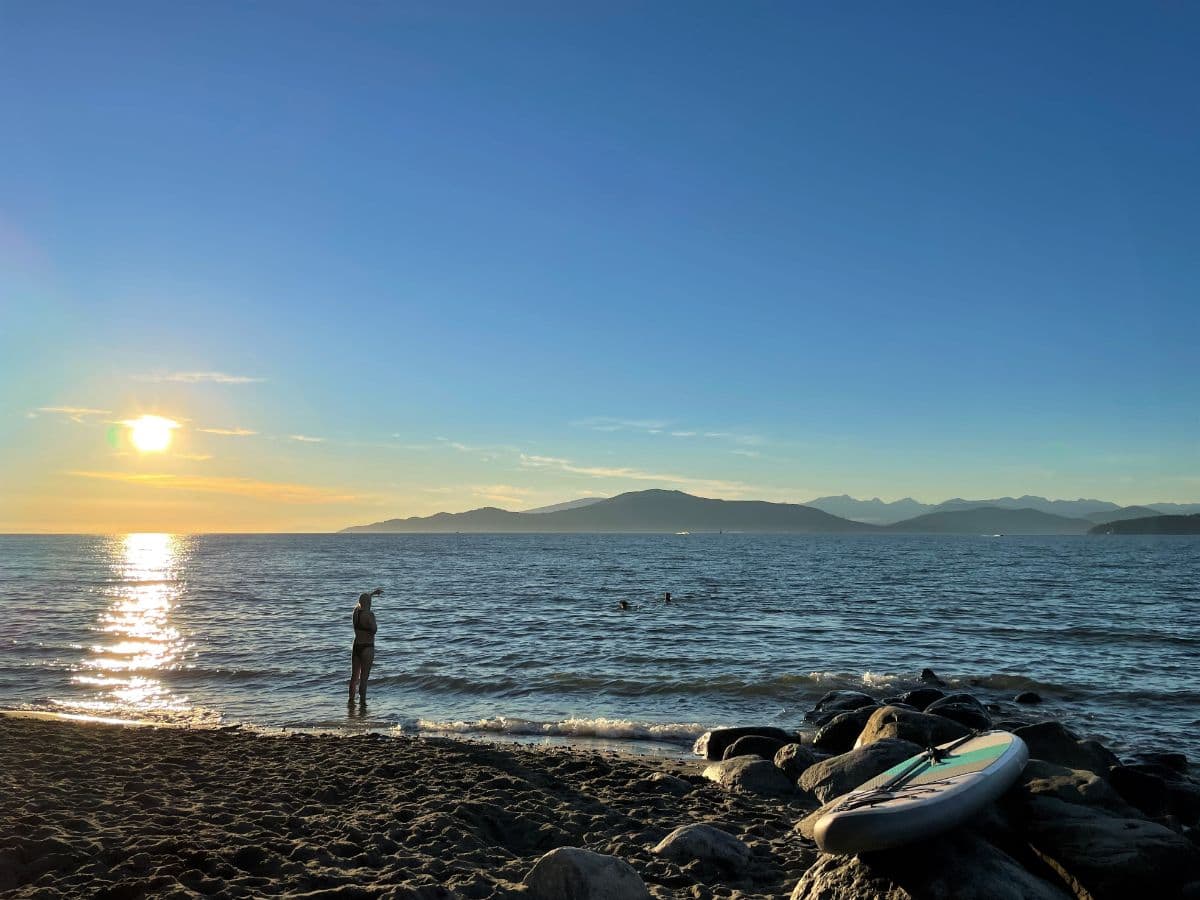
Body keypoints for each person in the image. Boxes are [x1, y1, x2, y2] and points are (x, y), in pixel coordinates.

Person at [349, 588, 381, 704]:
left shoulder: (355, 613)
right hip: (367, 647)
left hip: (356, 646)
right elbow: (374, 630)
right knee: (364, 678)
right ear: (369, 603)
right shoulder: (370, 615)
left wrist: (372, 594)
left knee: (354, 677)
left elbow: (363, 600)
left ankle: (351, 702)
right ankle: (362, 703)